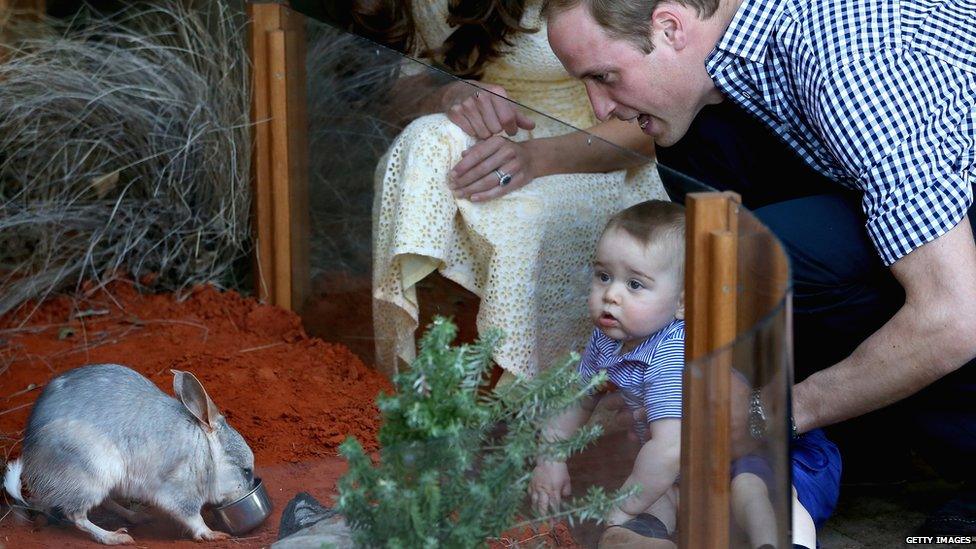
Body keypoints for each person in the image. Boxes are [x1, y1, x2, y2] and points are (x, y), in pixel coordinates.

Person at [542, 0, 976, 535]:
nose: (600, 108)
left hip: (960, 276)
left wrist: (766, 417)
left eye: (605, 77)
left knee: (758, 254)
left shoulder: (846, 58)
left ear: (671, 26)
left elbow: (955, 316)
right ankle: (864, 438)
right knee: (700, 175)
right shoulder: (729, 78)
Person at [363, 0, 670, 379]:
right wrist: (448, 94)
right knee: (422, 139)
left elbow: (661, 116)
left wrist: (536, 158)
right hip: (498, 139)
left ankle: (532, 385)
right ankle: (408, 366)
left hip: (602, 149)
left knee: (525, 216)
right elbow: (399, 93)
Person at [529, 200, 823, 548]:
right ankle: (645, 538)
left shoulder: (672, 354)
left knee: (752, 491)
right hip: (685, 474)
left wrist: (619, 508)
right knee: (651, 500)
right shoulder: (608, 338)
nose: (611, 295)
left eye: (635, 284)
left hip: (759, 453)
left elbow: (669, 450)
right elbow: (578, 399)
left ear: (683, 303)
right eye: (604, 276)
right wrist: (551, 456)